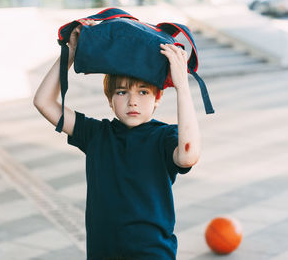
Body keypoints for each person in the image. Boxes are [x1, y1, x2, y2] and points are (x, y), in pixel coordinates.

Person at [33, 19, 201, 260]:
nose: (133, 101)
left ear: (157, 98)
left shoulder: (164, 137)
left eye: (143, 92)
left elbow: (188, 155)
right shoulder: (96, 134)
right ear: (110, 99)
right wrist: (70, 52)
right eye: (122, 92)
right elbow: (44, 103)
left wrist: (182, 86)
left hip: (152, 254)